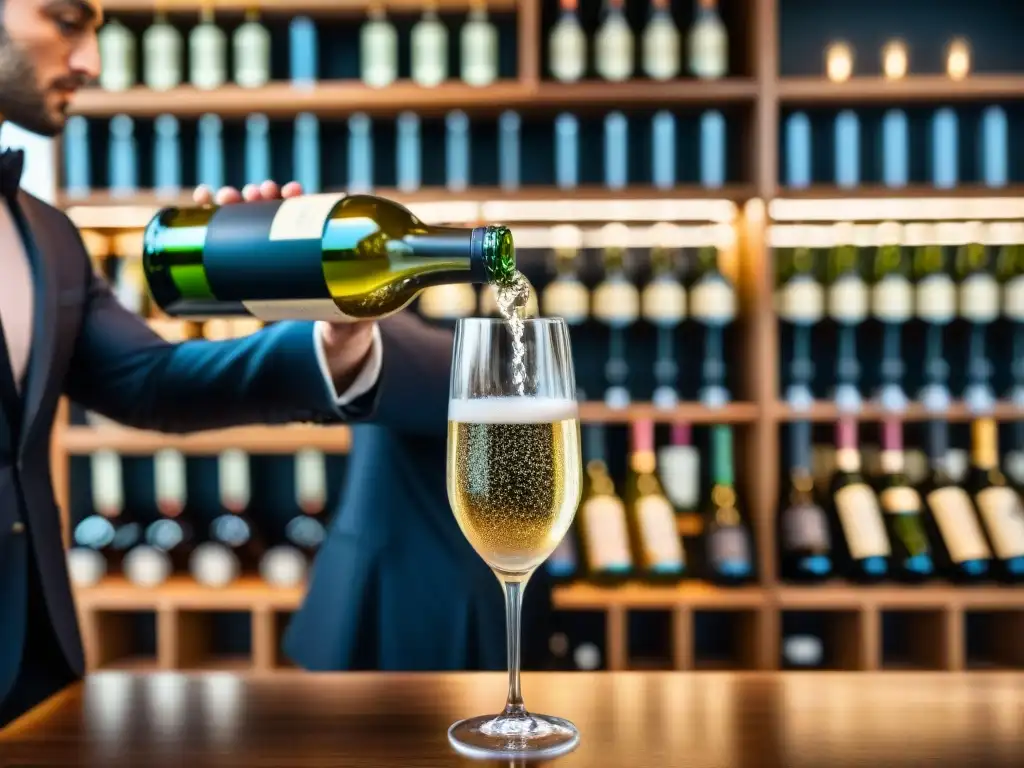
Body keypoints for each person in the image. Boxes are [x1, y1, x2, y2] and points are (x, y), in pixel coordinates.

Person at [0, 0, 551, 730]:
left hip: (32, 659)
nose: (90, 62)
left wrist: (335, 340)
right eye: (67, 21)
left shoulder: (45, 233)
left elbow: (153, 386)